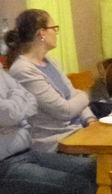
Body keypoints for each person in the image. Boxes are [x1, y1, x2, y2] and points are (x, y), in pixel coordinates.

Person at [7, 9, 97, 152]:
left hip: (77, 131)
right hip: (55, 142)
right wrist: (85, 94)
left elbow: (72, 95)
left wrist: (90, 120)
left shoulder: (50, 61)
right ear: (42, 33)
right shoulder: (23, 70)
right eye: (54, 28)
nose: (56, 32)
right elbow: (65, 111)